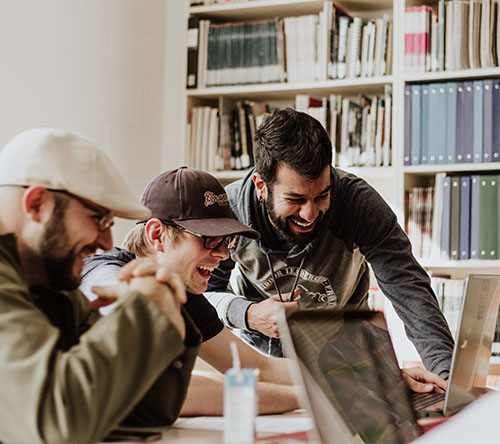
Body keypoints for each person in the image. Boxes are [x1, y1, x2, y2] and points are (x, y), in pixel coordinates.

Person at [205, 107, 455, 381]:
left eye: (322, 196)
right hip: (262, 364)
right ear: (261, 186)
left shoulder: (359, 204)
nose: (310, 214)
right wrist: (248, 314)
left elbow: (411, 292)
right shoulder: (229, 213)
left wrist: (447, 379)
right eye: (295, 200)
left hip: (346, 359)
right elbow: (203, 295)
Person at [0, 129, 198, 444]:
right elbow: (56, 424)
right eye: (99, 219)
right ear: (37, 204)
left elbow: (143, 412)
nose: (107, 243)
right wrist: (145, 309)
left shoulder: (51, 284)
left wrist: (162, 304)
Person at [81, 167, 301, 415]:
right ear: (157, 235)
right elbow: (162, 388)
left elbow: (257, 368)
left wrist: (338, 378)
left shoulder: (184, 294)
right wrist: (306, 398)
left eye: (227, 241)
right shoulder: (105, 277)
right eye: (209, 239)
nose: (224, 254)